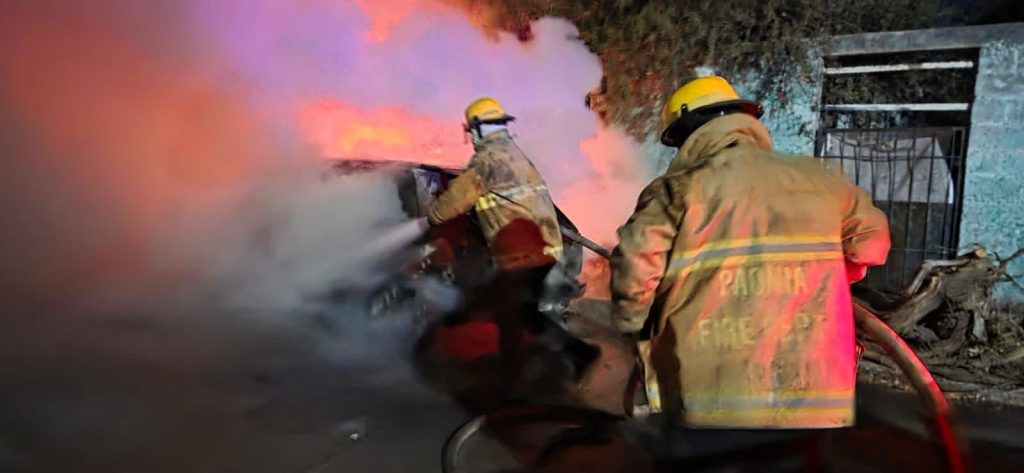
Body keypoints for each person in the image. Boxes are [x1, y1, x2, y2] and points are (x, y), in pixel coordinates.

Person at [610, 76, 890, 460]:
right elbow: (872, 244)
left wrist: (631, 328)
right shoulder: (821, 179)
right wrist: (820, 275)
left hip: (714, 397)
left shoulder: (678, 189)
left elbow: (637, 267)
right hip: (814, 395)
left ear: (688, 132)